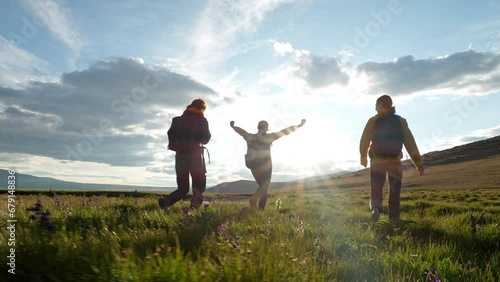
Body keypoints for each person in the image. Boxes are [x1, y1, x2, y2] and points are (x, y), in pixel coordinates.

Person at [359, 95, 424, 222]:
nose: (375, 108)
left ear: (381, 105)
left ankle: (376, 209)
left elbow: (364, 141)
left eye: (376, 105)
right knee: (394, 192)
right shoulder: (401, 121)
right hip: (395, 162)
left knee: (376, 190)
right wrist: (418, 163)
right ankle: (394, 220)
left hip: (377, 163)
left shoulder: (373, 121)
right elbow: (410, 143)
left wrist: (363, 158)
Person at [230, 119, 306, 210]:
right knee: (265, 186)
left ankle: (259, 208)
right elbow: (285, 131)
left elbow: (241, 132)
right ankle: (257, 203)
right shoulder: (269, 137)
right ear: (266, 128)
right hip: (266, 165)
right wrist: (299, 125)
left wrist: (233, 126)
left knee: (263, 187)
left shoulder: (250, 137)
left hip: (253, 166)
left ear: (258, 128)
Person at [159, 98, 211, 210]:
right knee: (199, 185)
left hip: (180, 156)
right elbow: (205, 139)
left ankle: (166, 201)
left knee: (182, 188)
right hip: (195, 156)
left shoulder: (178, 120)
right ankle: (194, 208)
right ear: (201, 108)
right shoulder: (202, 120)